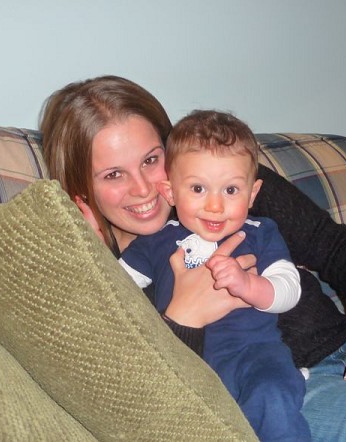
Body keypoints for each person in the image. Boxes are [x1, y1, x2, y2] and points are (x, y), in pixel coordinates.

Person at [40, 75, 346, 441]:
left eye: (151, 160)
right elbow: (140, 397)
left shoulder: (222, 181)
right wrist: (181, 316)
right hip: (283, 395)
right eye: (113, 175)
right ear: (81, 186)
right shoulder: (101, 271)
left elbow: (336, 246)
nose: (144, 188)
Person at [119, 109, 310, 441]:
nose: (215, 206)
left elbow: (289, 290)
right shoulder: (155, 242)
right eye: (198, 188)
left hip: (255, 356)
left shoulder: (259, 232)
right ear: (170, 192)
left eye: (231, 191)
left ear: (252, 194)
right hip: (191, 368)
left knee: (272, 398)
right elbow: (113, 289)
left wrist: (249, 285)